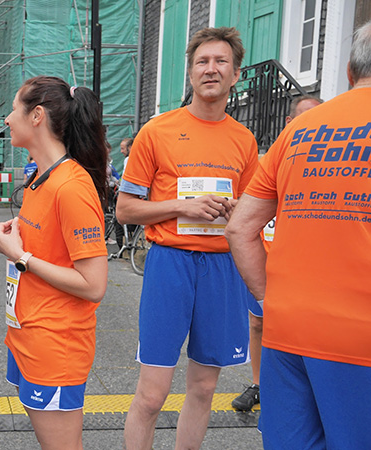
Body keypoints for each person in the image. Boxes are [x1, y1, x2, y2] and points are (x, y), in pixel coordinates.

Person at [225, 15, 371, 448]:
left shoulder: (299, 129)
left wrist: (269, 300)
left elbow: (240, 228)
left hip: (288, 331)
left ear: (351, 73)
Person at [117, 27, 258, 450]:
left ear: (235, 74)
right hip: (170, 264)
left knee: (202, 390)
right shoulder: (157, 132)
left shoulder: (245, 141)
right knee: (152, 393)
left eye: (220, 62)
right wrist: (182, 207)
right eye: (202, 62)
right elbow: (125, 209)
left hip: (221, 269)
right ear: (190, 73)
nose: (210, 69)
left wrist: (236, 211)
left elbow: (253, 214)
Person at [0, 76, 108, 450]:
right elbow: (51, 239)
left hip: (56, 347)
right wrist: (17, 230)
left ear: (36, 115)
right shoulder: (42, 176)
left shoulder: (71, 187)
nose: (7, 119)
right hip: (29, 337)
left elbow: (94, 285)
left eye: (13, 108)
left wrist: (20, 256)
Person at [230, 94, 322, 412]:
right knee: (259, 324)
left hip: (305, 265)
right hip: (266, 258)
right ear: (288, 123)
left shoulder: (327, 163)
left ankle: (300, 387)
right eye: (304, 118)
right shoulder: (272, 158)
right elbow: (245, 217)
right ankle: (259, 384)